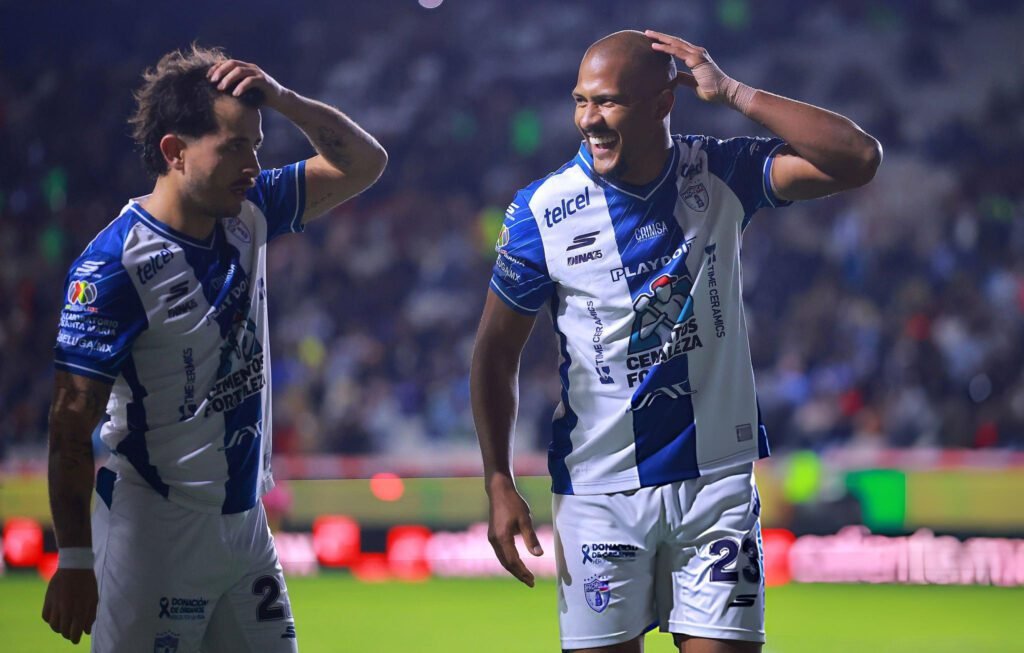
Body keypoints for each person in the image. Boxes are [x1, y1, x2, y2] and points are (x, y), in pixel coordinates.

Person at [471, 29, 881, 653]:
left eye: (608, 102)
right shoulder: (539, 214)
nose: (589, 120)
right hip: (599, 492)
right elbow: (494, 355)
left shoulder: (721, 172)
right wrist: (498, 479)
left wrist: (736, 93)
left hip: (715, 484)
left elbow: (857, 158)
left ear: (665, 103)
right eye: (580, 101)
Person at [42, 45, 387, 651]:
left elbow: (365, 162)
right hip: (156, 528)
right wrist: (73, 559)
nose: (253, 163)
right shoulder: (112, 270)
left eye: (257, 144)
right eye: (234, 147)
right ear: (175, 152)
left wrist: (283, 100)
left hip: (247, 526)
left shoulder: (248, 211)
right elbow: (71, 426)